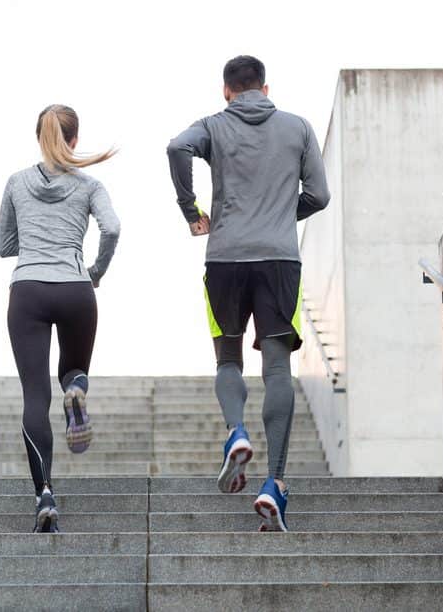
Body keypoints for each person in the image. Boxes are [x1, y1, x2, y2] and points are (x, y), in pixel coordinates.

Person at [167, 55, 330, 532]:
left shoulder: (213, 126)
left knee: (227, 361)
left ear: (226, 90)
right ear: (265, 86)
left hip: (224, 258)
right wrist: (280, 213)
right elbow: (318, 196)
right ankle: (273, 483)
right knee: (278, 367)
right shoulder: (298, 127)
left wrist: (190, 209)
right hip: (281, 260)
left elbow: (177, 147)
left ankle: (236, 432)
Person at [0, 104, 120, 533]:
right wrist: (96, 271)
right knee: (72, 370)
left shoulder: (16, 182)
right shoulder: (90, 185)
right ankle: (77, 389)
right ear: (74, 140)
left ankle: (44, 493)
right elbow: (113, 228)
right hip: (75, 288)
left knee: (34, 397)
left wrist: (34, 239)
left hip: (28, 289)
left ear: (39, 138)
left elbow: (3, 244)